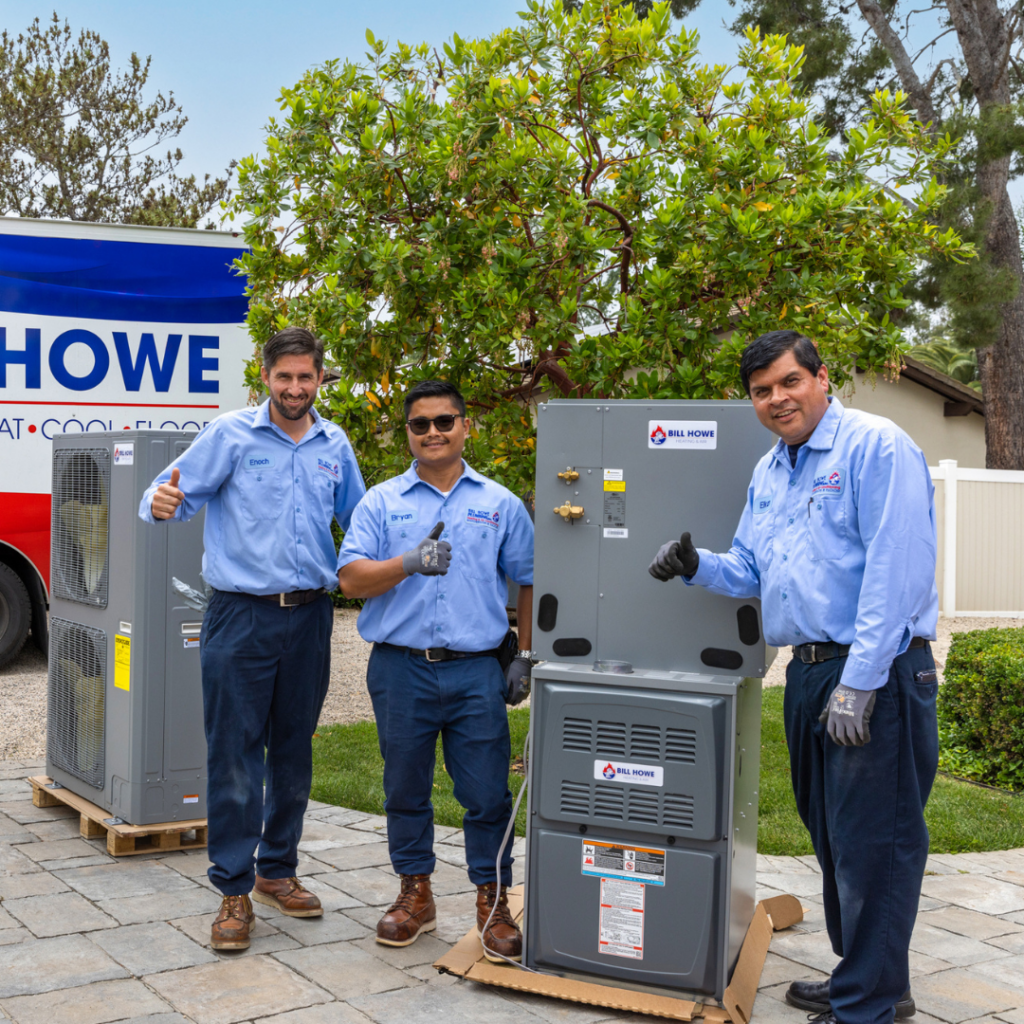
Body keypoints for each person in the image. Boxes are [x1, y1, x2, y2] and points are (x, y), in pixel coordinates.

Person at [649, 331, 938, 1024]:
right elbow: (752, 567)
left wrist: (862, 682)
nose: (776, 399)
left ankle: (866, 1003)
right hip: (808, 671)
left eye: (787, 382)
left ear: (820, 378)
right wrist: (698, 565)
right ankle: (869, 979)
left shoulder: (876, 446)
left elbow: (894, 572)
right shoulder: (772, 470)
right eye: (761, 391)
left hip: (875, 670)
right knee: (835, 838)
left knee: (877, 842)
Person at [139, 326, 365, 950]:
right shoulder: (229, 434)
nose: (295, 388)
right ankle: (233, 890)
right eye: (284, 376)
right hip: (240, 616)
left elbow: (361, 518)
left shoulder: (333, 442)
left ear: (320, 379)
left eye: (306, 376)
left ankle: (277, 872)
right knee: (235, 754)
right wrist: (160, 504)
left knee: (293, 750)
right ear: (265, 377)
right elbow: (166, 495)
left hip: (311, 616)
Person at [337, 379, 535, 960]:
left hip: (476, 671)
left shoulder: (500, 503)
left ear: (465, 426)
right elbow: (349, 579)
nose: (433, 433)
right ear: (408, 432)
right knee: (404, 787)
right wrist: (406, 562)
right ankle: (415, 894)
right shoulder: (381, 502)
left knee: (486, 794)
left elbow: (528, 579)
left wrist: (525, 652)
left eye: (445, 421)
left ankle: (493, 900)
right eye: (420, 424)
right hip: (401, 669)